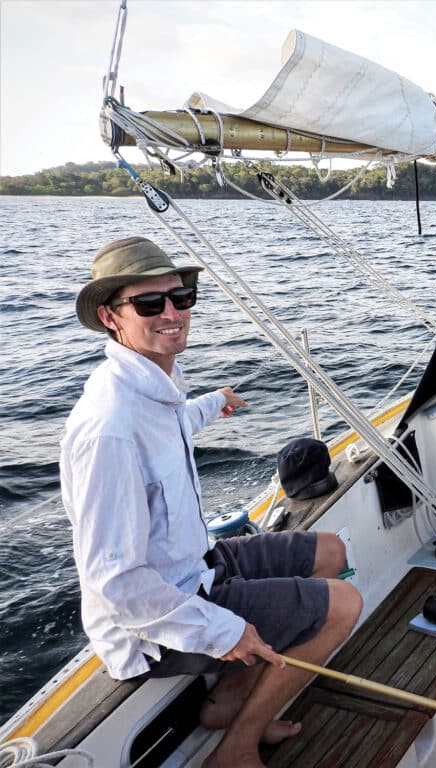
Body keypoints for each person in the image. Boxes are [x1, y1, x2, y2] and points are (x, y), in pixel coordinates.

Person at [60, 236, 362, 768]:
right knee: (343, 607)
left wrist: (213, 404)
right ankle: (237, 748)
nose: (172, 313)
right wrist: (221, 630)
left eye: (182, 296)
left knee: (331, 552)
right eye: (150, 304)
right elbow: (118, 586)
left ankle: (225, 702)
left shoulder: (152, 385)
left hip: (197, 565)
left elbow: (174, 423)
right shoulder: (109, 430)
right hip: (153, 622)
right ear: (110, 317)